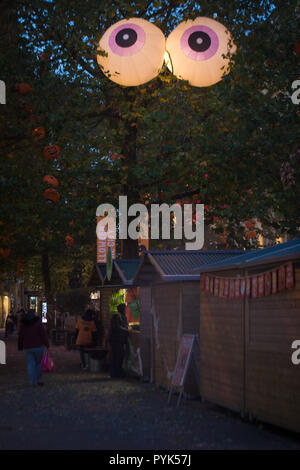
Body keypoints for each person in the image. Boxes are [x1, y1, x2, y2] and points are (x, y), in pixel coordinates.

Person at [18, 309, 49, 387]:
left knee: (30, 364)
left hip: (27, 347)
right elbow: (43, 335)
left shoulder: (24, 324)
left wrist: (20, 346)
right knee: (38, 364)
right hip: (38, 346)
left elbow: (21, 336)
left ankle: (31, 382)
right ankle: (39, 380)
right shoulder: (38, 323)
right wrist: (47, 344)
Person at [109, 303, 129, 378]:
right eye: (125, 309)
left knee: (117, 356)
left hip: (117, 340)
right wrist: (126, 330)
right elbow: (117, 327)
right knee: (118, 356)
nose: (126, 310)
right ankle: (116, 373)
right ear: (122, 309)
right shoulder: (117, 316)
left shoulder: (120, 316)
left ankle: (116, 372)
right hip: (116, 340)